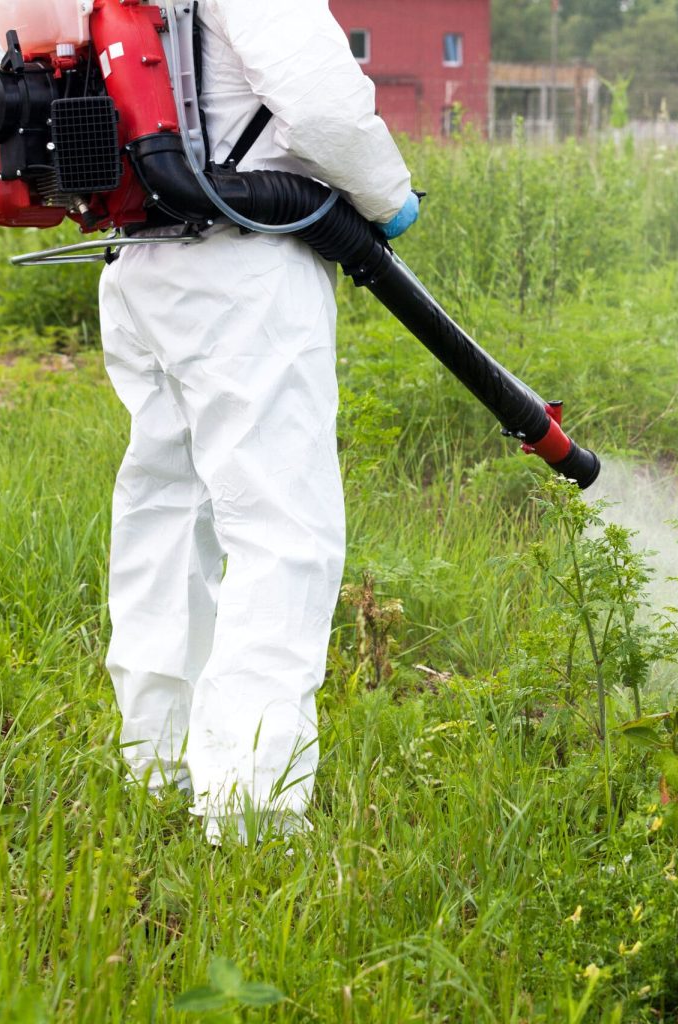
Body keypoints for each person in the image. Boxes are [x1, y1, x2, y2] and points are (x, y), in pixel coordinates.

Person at [99, 0, 420, 844]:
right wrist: (387, 198)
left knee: (165, 520)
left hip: (139, 265)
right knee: (284, 536)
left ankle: (157, 761)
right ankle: (252, 812)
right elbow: (320, 101)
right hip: (241, 269)